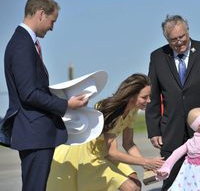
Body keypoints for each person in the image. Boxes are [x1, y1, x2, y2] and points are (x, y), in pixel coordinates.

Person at [1, 0, 88, 191]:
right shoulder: (22, 45)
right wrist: (66, 105)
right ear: (41, 14)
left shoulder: (24, 43)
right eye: (52, 21)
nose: (52, 27)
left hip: (35, 133)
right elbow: (29, 93)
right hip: (34, 133)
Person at [47, 73, 164, 191]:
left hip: (104, 154)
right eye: (144, 97)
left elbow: (128, 143)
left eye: (149, 96)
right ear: (131, 96)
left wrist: (146, 166)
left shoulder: (132, 111)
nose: (149, 100)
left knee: (136, 185)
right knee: (130, 188)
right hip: (90, 157)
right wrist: (145, 162)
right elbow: (112, 152)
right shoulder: (108, 110)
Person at [145, 14, 200, 190]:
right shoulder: (157, 57)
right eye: (173, 39)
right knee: (171, 179)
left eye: (182, 36)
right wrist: (154, 130)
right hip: (171, 129)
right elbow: (152, 95)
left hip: (199, 126)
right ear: (167, 39)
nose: (179, 42)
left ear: (187, 31)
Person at [156, 107, 200, 190]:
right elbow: (175, 154)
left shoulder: (189, 142)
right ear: (198, 126)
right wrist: (166, 167)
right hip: (193, 173)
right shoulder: (190, 143)